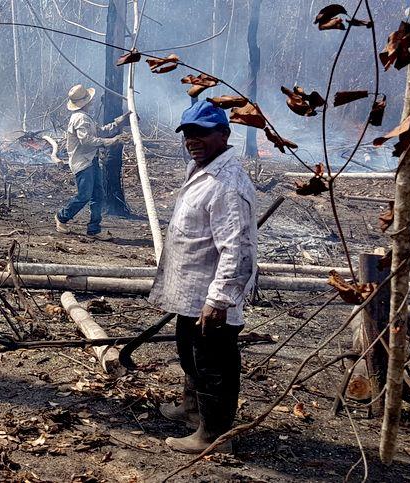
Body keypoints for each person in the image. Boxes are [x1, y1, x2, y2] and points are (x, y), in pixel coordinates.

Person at [149, 99, 257, 454]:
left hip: (211, 297)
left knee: (213, 365)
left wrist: (220, 299)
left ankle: (213, 435)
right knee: (190, 354)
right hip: (190, 291)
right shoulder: (202, 169)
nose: (193, 141)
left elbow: (238, 249)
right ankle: (192, 410)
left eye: (202, 134)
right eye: (188, 135)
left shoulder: (227, 183)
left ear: (224, 134)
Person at [54, 84, 130, 238]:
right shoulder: (80, 118)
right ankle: (62, 217)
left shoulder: (84, 116)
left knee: (98, 195)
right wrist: (111, 141)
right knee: (84, 195)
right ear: (85, 102)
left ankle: (94, 229)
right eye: (90, 100)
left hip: (91, 160)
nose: (92, 102)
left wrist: (118, 123)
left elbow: (99, 131)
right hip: (83, 162)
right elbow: (86, 141)